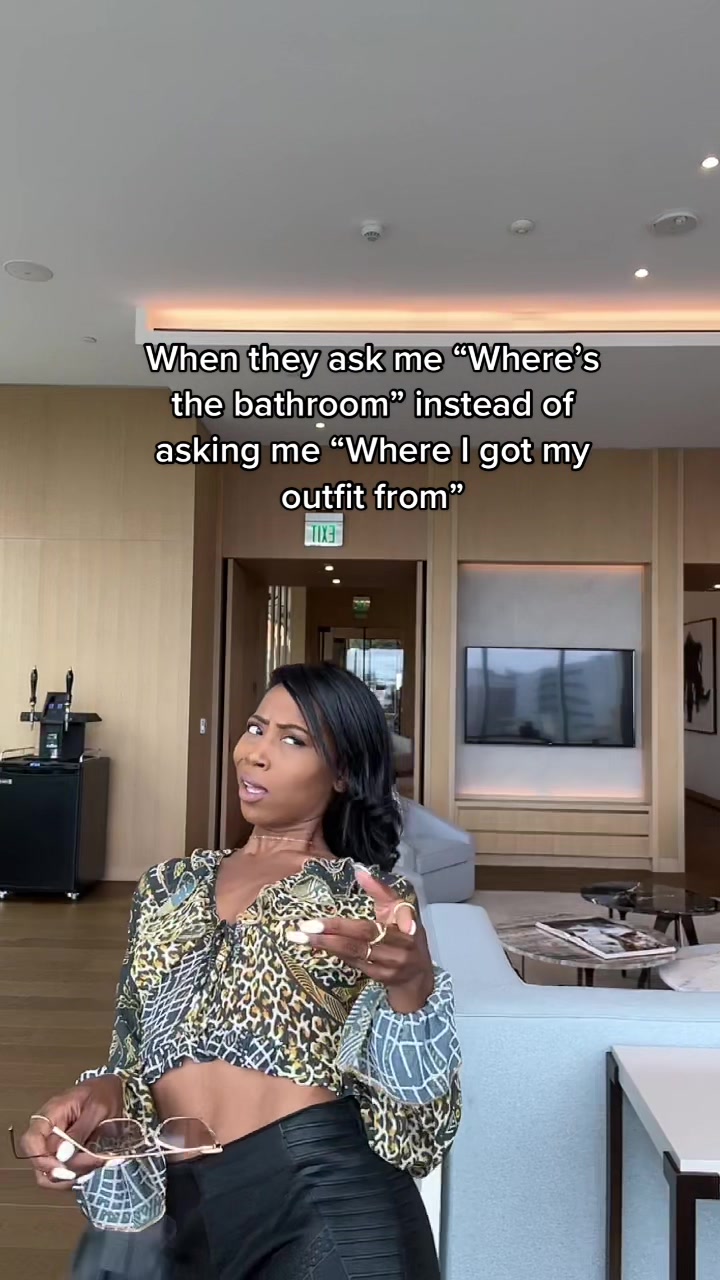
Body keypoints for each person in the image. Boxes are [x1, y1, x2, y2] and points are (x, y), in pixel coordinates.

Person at [20, 662, 461, 1278]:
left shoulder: (367, 903)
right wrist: (104, 1097)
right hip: (182, 1213)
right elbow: (132, 1053)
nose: (255, 753)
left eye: (293, 740)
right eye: (256, 728)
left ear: (342, 773)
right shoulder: (167, 888)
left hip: (326, 1199)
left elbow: (419, 1136)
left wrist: (413, 986)